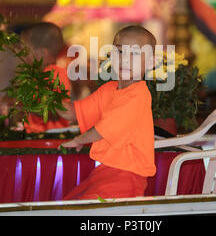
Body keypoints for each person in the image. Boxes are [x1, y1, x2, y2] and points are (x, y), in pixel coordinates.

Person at [57, 25, 157, 200]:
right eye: (119, 52)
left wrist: (78, 140)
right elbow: (73, 112)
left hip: (127, 175)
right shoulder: (110, 89)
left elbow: (102, 130)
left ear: (150, 62)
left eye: (133, 54)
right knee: (69, 204)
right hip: (106, 170)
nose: (124, 60)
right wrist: (46, 100)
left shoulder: (138, 94)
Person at [19, 22, 71, 133]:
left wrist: (22, 105)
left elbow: (54, 112)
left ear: (42, 53)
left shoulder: (55, 74)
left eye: (25, 50)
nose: (22, 55)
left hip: (51, 138)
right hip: (37, 135)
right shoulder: (34, 76)